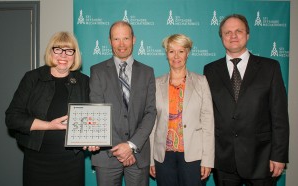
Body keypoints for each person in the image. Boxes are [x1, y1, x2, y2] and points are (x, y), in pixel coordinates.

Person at [203, 14, 289, 186]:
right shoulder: (210, 70)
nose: (233, 36)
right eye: (227, 32)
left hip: (262, 159)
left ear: (247, 35)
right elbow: (207, 116)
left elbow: (279, 116)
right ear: (222, 38)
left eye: (238, 31)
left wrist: (279, 156)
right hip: (224, 159)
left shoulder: (270, 68)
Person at [5, 32, 89, 186]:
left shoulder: (84, 82)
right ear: (50, 51)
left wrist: (92, 139)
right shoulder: (32, 78)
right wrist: (49, 125)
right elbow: (12, 118)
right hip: (37, 161)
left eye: (69, 50)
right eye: (58, 49)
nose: (63, 55)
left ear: (75, 55)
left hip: (72, 163)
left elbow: (92, 120)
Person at [87, 21, 156, 186]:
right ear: (110, 41)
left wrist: (131, 145)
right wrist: (121, 149)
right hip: (107, 155)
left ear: (134, 39)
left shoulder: (147, 72)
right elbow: (98, 112)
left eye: (126, 38)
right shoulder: (97, 71)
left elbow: (150, 112)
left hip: (138, 154)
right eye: (116, 39)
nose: (121, 44)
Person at [149, 34, 215, 186]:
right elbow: (152, 124)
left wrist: (207, 159)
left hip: (193, 155)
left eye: (181, 51)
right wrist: (151, 158)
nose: (176, 56)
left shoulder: (201, 82)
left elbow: (208, 122)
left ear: (188, 53)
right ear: (166, 54)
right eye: (171, 51)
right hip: (163, 156)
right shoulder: (156, 83)